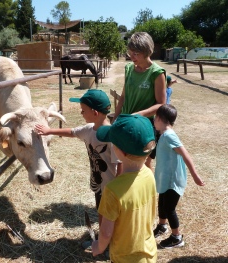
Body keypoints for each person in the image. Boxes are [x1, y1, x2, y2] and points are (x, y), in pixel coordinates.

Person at [34, 89, 122, 250]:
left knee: (112, 218)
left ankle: (113, 247)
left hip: (112, 187)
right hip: (98, 184)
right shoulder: (89, 129)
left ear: (94, 112)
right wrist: (49, 131)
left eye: (83, 110)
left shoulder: (111, 137)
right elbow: (72, 132)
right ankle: (103, 242)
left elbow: (120, 163)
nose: (81, 113)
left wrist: (120, 187)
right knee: (101, 213)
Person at [92, 114, 157, 263]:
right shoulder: (149, 174)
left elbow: (106, 233)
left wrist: (99, 247)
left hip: (124, 258)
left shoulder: (113, 190)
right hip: (149, 253)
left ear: (119, 150)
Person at [112, 32, 166, 170]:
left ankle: (146, 191)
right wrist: (116, 117)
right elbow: (123, 96)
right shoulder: (129, 68)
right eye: (130, 53)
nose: (131, 56)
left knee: (144, 164)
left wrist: (139, 115)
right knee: (121, 161)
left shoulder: (157, 73)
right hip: (125, 122)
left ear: (147, 51)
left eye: (135, 53)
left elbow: (161, 104)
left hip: (144, 126)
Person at [153, 104, 205, 249]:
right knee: (162, 203)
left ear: (159, 118)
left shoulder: (169, 136)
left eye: (154, 118)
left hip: (172, 180)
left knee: (169, 208)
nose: (153, 121)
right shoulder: (164, 134)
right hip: (165, 179)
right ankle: (162, 226)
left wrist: (195, 175)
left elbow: (185, 154)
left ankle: (177, 238)